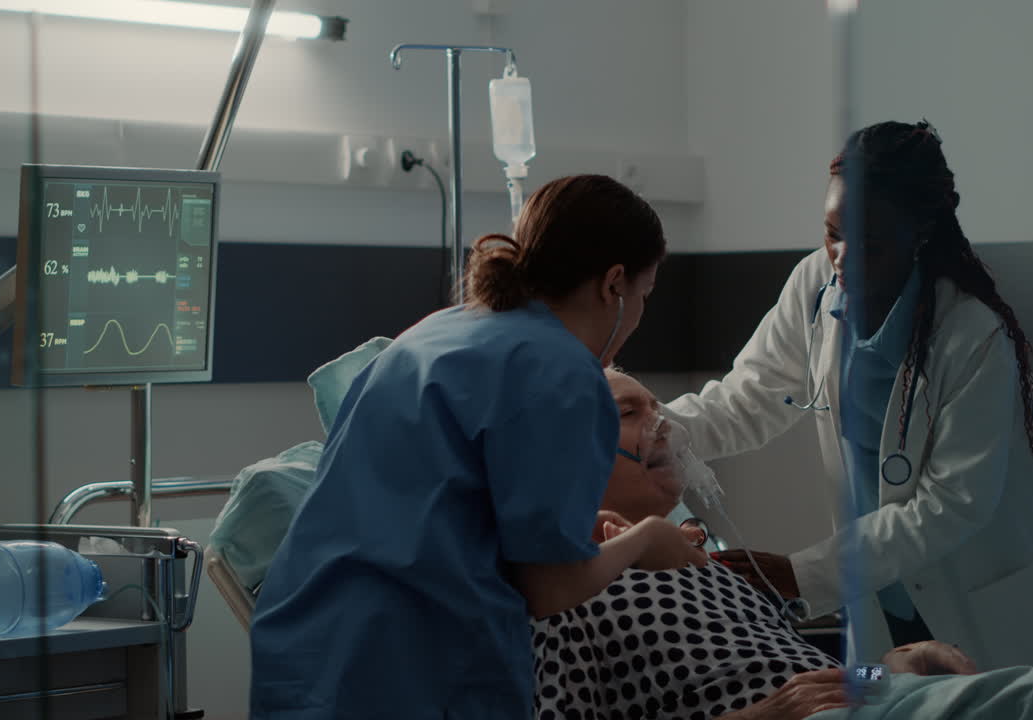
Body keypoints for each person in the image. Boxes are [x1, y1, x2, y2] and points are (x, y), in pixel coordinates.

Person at [249, 175, 706, 720]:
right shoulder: (561, 372)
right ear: (613, 284)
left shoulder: (438, 332)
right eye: (645, 295)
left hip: (304, 646)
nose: (638, 315)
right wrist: (645, 542)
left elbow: (437, 499)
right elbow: (550, 588)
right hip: (410, 668)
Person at [662, 121, 1033, 671]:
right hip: (880, 596)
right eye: (833, 233)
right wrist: (645, 428)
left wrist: (801, 573)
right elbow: (748, 397)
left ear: (919, 233)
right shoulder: (814, 286)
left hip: (978, 596)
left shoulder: (972, 335)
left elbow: (950, 504)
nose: (843, 258)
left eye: (870, 242)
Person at [535, 370, 1033, 720]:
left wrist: (891, 668)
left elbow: (823, 683)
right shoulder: (562, 585)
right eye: (630, 412)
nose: (664, 426)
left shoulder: (709, 566)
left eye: (659, 407)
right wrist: (764, 718)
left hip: (865, 705)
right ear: (567, 456)